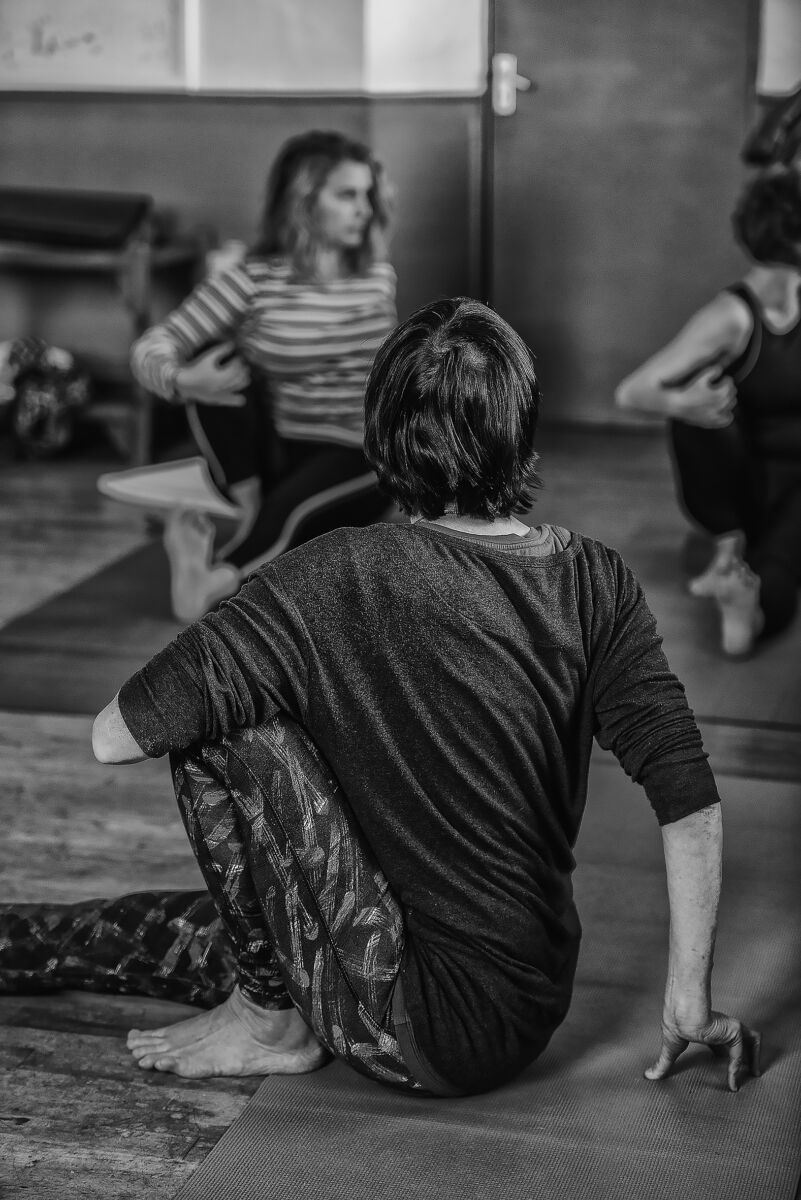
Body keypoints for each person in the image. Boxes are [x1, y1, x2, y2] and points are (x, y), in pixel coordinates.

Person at [1, 299, 760, 1097]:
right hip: (512, 1004)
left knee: (223, 723)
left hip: (416, 1024)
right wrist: (688, 1001)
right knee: (128, 934)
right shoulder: (594, 578)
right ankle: (239, 991)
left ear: (380, 438)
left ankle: (268, 1022)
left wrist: (250, 648)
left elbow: (113, 737)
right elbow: (685, 790)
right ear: (522, 429)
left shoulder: (333, 572)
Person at [129, 129, 397, 622]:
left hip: (362, 451)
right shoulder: (251, 281)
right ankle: (250, 509)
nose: (364, 209)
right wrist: (184, 381)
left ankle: (216, 578)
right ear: (303, 201)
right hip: (273, 454)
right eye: (347, 195)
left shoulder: (377, 277)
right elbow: (153, 345)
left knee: (299, 513)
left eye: (367, 195)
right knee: (215, 357)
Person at [615, 165, 801, 657]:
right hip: (745, 489)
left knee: (785, 548)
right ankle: (733, 555)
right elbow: (631, 392)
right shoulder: (733, 316)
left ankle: (747, 604)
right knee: (701, 396)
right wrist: (681, 402)